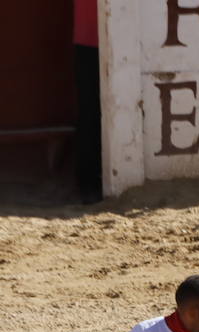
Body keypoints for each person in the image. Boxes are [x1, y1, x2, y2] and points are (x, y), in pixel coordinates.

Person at [73, 0, 102, 204]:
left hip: (93, 35)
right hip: (89, 36)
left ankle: (89, 182)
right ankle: (88, 182)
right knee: (90, 108)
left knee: (89, 108)